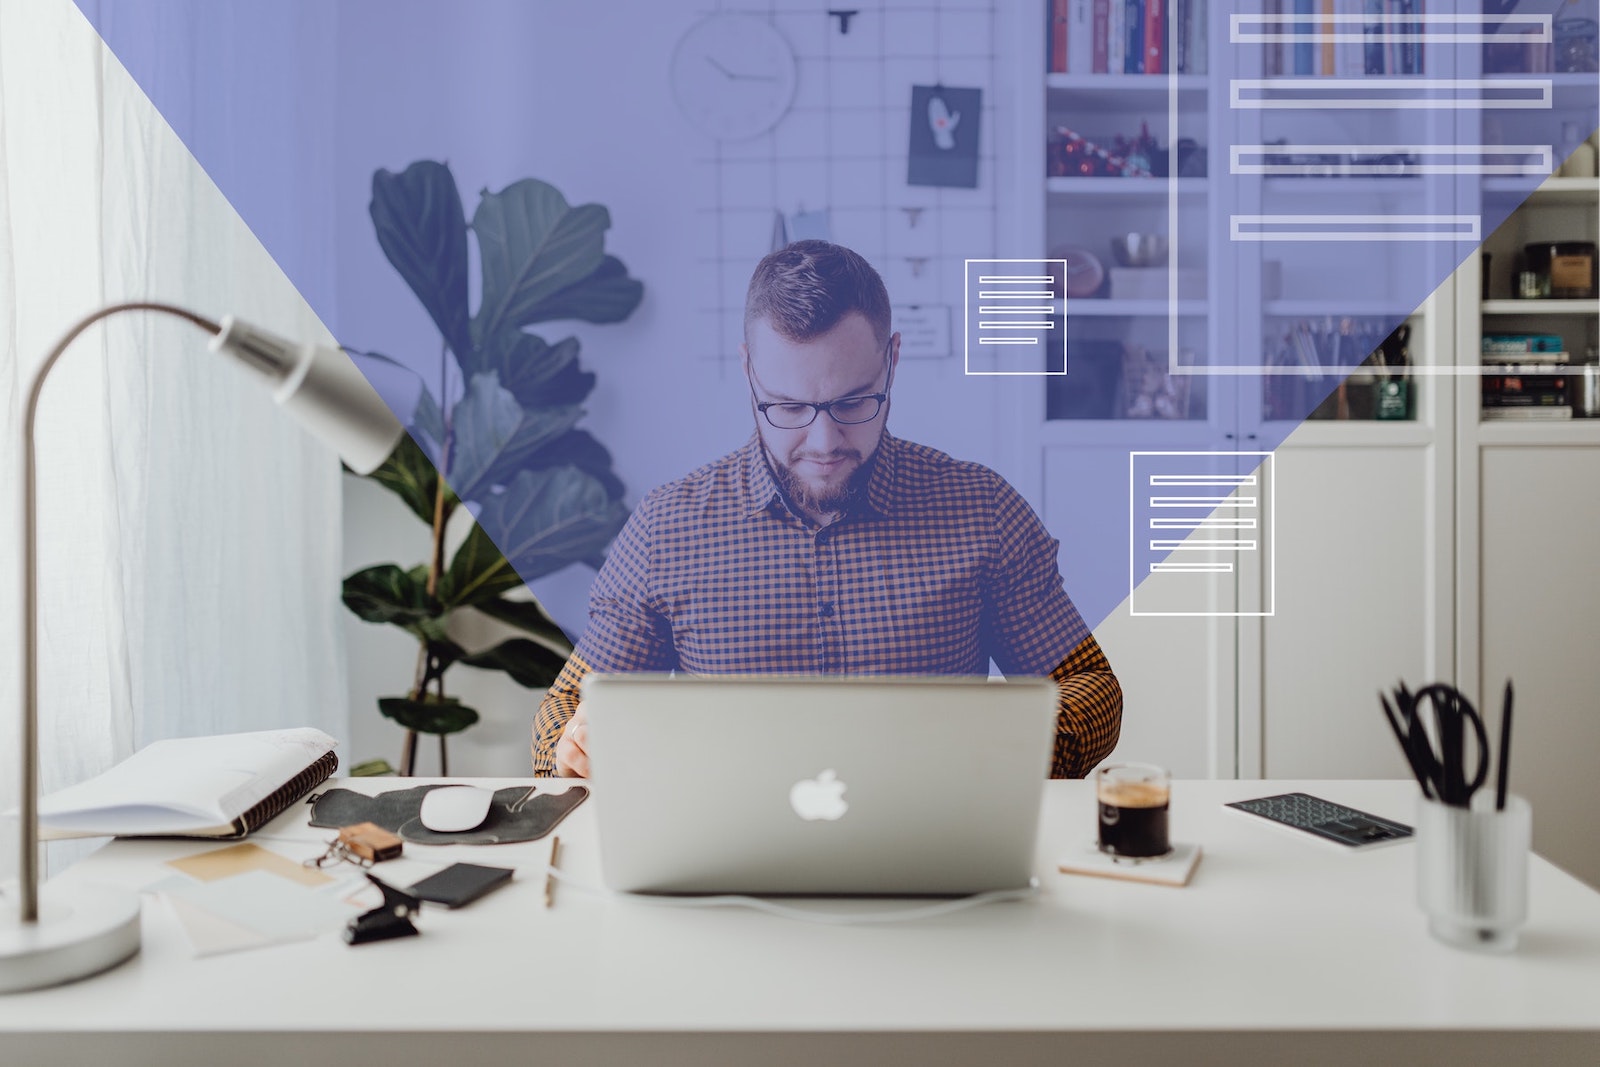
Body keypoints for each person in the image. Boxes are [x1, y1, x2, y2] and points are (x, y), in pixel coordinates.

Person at [531, 240, 1121, 778]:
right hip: (726, 868)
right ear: (748, 372)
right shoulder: (668, 529)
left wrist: (1007, 748)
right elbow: (564, 711)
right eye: (786, 408)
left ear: (891, 361)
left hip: (933, 856)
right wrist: (573, 747)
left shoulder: (981, 511)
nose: (823, 443)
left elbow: (1091, 687)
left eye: (853, 402)